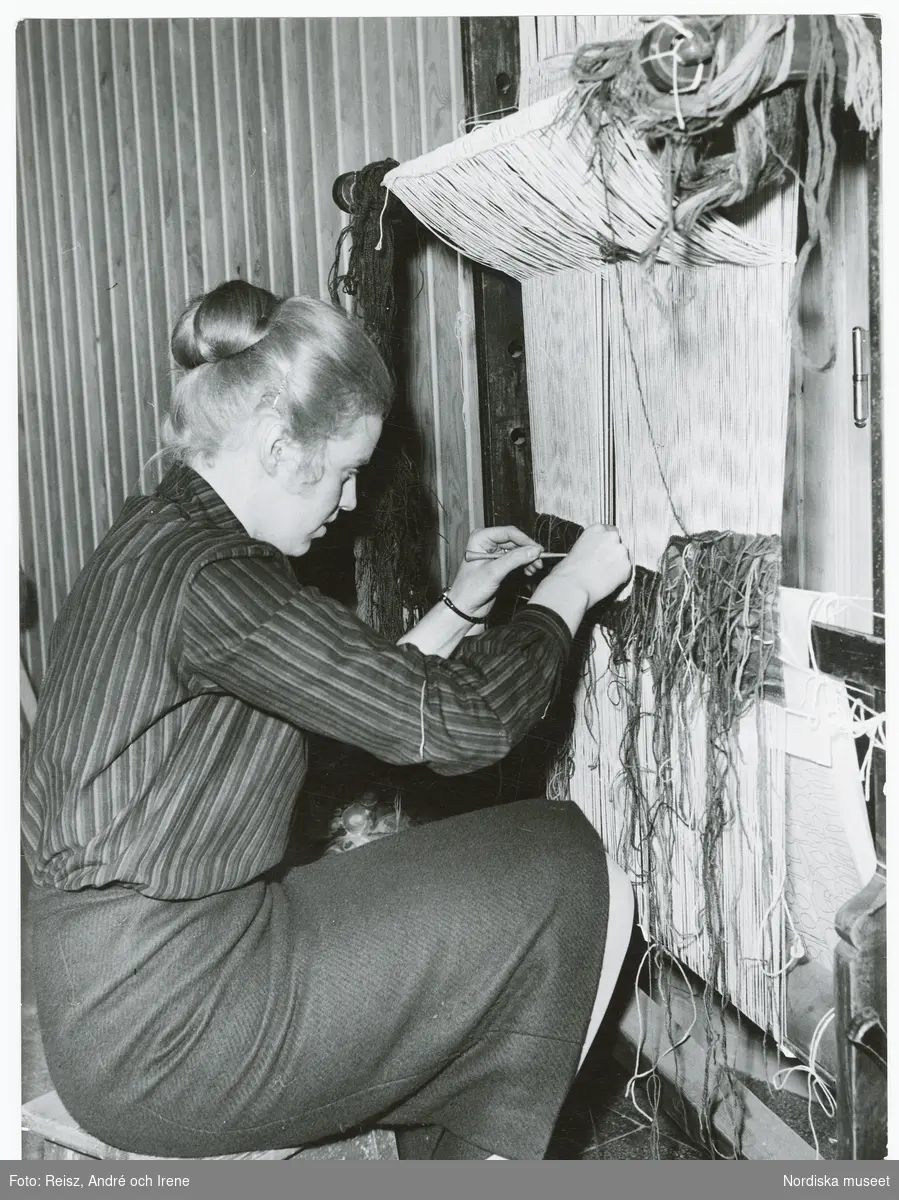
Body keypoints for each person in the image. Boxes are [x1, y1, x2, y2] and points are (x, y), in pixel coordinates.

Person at [22, 279, 634, 1161]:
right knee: (568, 865)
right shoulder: (222, 584)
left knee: (444, 887)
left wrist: (461, 608)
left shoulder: (161, 535)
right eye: (346, 472)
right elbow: (464, 728)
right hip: (165, 1036)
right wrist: (571, 589)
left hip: (118, 988)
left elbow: (344, 704)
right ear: (278, 445)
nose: (350, 504)